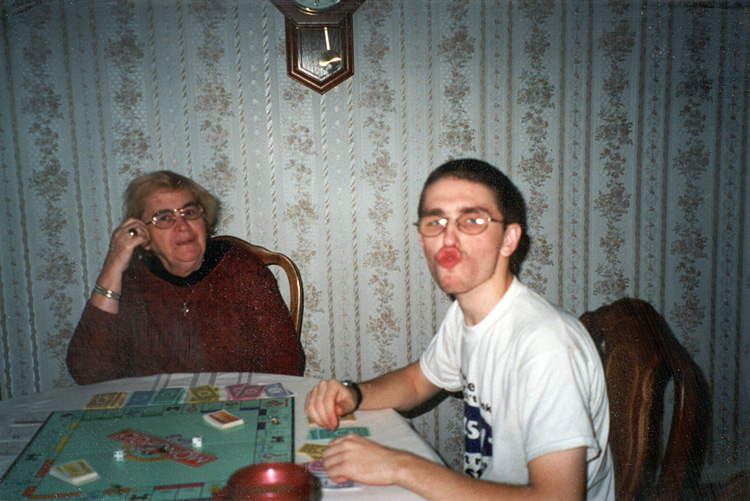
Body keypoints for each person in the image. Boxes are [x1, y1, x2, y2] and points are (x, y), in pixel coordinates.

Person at [305, 159, 614, 500]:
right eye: (435, 222)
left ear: (509, 239)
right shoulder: (466, 313)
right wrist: (354, 393)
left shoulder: (546, 346)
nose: (448, 238)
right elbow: (418, 381)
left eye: (472, 220)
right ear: (422, 241)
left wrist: (399, 466)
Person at [67, 170, 303, 384]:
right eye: (165, 217)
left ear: (204, 221)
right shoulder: (132, 281)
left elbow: (285, 364)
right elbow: (88, 373)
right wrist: (112, 266)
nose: (182, 225)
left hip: (234, 411)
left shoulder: (240, 269)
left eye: (189, 212)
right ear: (144, 236)